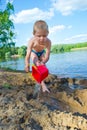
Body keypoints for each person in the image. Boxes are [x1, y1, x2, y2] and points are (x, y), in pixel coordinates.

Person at [25, 20, 51, 93]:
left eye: (44, 36)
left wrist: (43, 61)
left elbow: (47, 55)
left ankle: (39, 78)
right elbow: (28, 55)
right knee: (37, 63)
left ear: (48, 33)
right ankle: (43, 85)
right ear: (34, 34)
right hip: (34, 53)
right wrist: (27, 64)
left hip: (42, 53)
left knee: (43, 66)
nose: (42, 38)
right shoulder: (32, 41)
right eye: (39, 36)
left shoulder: (48, 42)